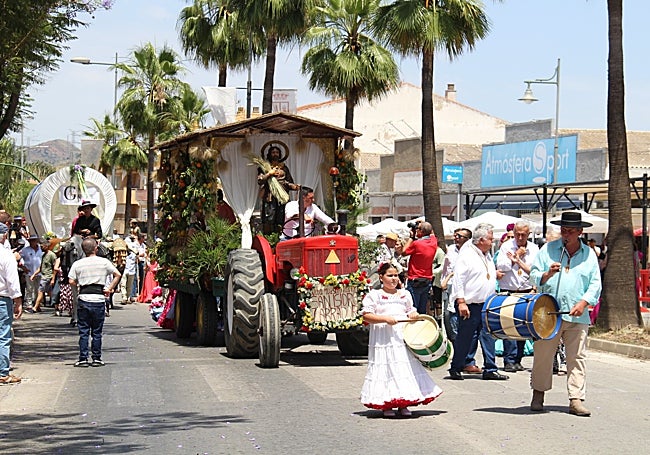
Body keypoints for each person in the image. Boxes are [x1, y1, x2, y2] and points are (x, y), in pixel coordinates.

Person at [529, 211, 601, 417]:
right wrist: (547, 274)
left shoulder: (588, 254)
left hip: (577, 314)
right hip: (549, 312)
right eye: (563, 230)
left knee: (577, 357)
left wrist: (584, 302)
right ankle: (538, 393)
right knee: (543, 354)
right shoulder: (548, 249)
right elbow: (533, 275)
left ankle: (576, 399)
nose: (566, 234)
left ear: (579, 232)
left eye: (570, 231)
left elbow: (595, 283)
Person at [360, 262, 442, 417]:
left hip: (401, 337)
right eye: (389, 275)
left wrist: (413, 315)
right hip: (383, 339)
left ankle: (404, 403)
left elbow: (412, 311)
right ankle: (387, 405)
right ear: (381, 277)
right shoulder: (374, 295)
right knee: (386, 367)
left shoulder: (405, 294)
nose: (393, 279)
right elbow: (366, 316)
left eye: (396, 275)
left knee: (403, 368)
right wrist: (385, 319)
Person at [448, 223, 508, 381]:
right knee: (465, 337)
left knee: (488, 335)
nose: (492, 241)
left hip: (486, 303)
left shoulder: (485, 254)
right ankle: (456, 367)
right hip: (470, 304)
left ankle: (490, 368)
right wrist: (461, 301)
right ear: (481, 240)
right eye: (490, 238)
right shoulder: (467, 254)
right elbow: (458, 279)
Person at [68, 238, 121, 367]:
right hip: (98, 298)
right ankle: (96, 358)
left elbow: (71, 280)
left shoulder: (78, 264)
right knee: (97, 331)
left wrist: (79, 286)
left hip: (84, 297)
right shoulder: (103, 262)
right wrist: (109, 288)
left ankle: (83, 358)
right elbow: (117, 274)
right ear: (96, 248)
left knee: (84, 331)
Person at [496, 220, 539, 373]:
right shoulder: (506, 247)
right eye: (518, 234)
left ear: (528, 234)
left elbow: (536, 269)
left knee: (523, 326)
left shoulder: (534, 248)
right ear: (513, 234)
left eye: (523, 235)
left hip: (526, 290)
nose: (520, 237)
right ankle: (509, 359)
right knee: (509, 326)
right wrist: (516, 256)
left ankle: (518, 358)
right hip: (509, 290)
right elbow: (502, 267)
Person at [441, 228, 481, 375]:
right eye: (455, 236)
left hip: (464, 296)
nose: (456, 238)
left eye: (459, 236)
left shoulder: (472, 252)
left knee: (467, 331)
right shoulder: (451, 250)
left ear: (468, 238)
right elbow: (446, 269)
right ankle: (459, 360)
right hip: (450, 293)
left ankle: (467, 361)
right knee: (452, 328)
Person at [0, 223, 23, 385]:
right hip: (2, 298)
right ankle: (2, 372)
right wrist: (18, 301)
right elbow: (12, 281)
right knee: (3, 335)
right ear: (4, 235)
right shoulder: (6, 255)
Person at [258, 144, 298, 234]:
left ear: (280, 154)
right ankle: (269, 239)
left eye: (277, 152)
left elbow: (288, 182)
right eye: (273, 152)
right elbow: (260, 180)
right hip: (270, 197)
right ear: (269, 154)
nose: (275, 154)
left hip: (282, 197)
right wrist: (269, 174)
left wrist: (295, 187)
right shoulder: (264, 167)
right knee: (269, 219)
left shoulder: (284, 167)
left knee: (282, 218)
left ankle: (280, 236)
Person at [401, 221, 438, 314]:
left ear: (421, 231)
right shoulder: (434, 241)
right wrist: (424, 225)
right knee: (422, 310)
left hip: (415, 279)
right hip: (427, 279)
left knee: (412, 309)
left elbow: (403, 252)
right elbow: (431, 232)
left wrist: (411, 237)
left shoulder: (417, 244)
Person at [31, 240, 57, 313]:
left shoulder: (51, 255)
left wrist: (53, 278)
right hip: (44, 275)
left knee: (40, 291)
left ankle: (35, 307)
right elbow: (41, 267)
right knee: (50, 292)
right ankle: (57, 307)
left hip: (48, 277)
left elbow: (55, 267)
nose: (41, 248)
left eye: (42, 246)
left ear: (47, 246)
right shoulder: (44, 255)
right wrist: (34, 274)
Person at [19, 234, 42, 312]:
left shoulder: (41, 249)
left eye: (34, 240)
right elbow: (18, 258)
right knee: (29, 289)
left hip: (39, 272)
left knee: (38, 289)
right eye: (31, 240)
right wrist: (23, 267)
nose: (33, 242)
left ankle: (37, 304)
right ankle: (29, 304)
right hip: (29, 272)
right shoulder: (25, 250)